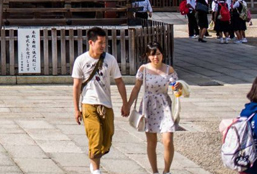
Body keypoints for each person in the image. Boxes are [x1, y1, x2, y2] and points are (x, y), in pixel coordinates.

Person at [72, 27, 129, 174]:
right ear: (91, 42)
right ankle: (96, 169)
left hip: (106, 103)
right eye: (100, 42)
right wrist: (76, 108)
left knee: (107, 136)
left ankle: (94, 159)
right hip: (88, 103)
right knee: (95, 134)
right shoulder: (81, 60)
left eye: (105, 42)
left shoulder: (110, 59)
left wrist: (125, 102)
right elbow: (77, 86)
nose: (103, 46)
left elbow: (119, 81)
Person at [126, 42, 182, 174]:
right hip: (148, 105)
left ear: (162, 54)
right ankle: (154, 171)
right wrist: (128, 104)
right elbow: (136, 88)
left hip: (164, 105)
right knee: (151, 142)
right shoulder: (143, 69)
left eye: (158, 54)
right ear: (147, 56)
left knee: (167, 140)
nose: (155, 57)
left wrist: (178, 88)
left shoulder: (169, 69)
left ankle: (166, 170)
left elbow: (175, 88)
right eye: (152, 55)